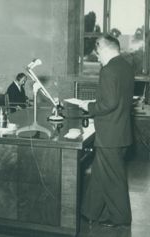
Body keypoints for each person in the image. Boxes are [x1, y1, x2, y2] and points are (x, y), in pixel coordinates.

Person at [73, 35, 134, 227]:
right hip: (120, 131)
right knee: (100, 174)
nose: (97, 57)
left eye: (98, 52)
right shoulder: (126, 67)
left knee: (114, 179)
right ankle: (90, 211)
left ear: (106, 49)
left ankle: (121, 218)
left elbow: (109, 102)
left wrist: (87, 106)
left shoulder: (108, 70)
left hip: (110, 135)